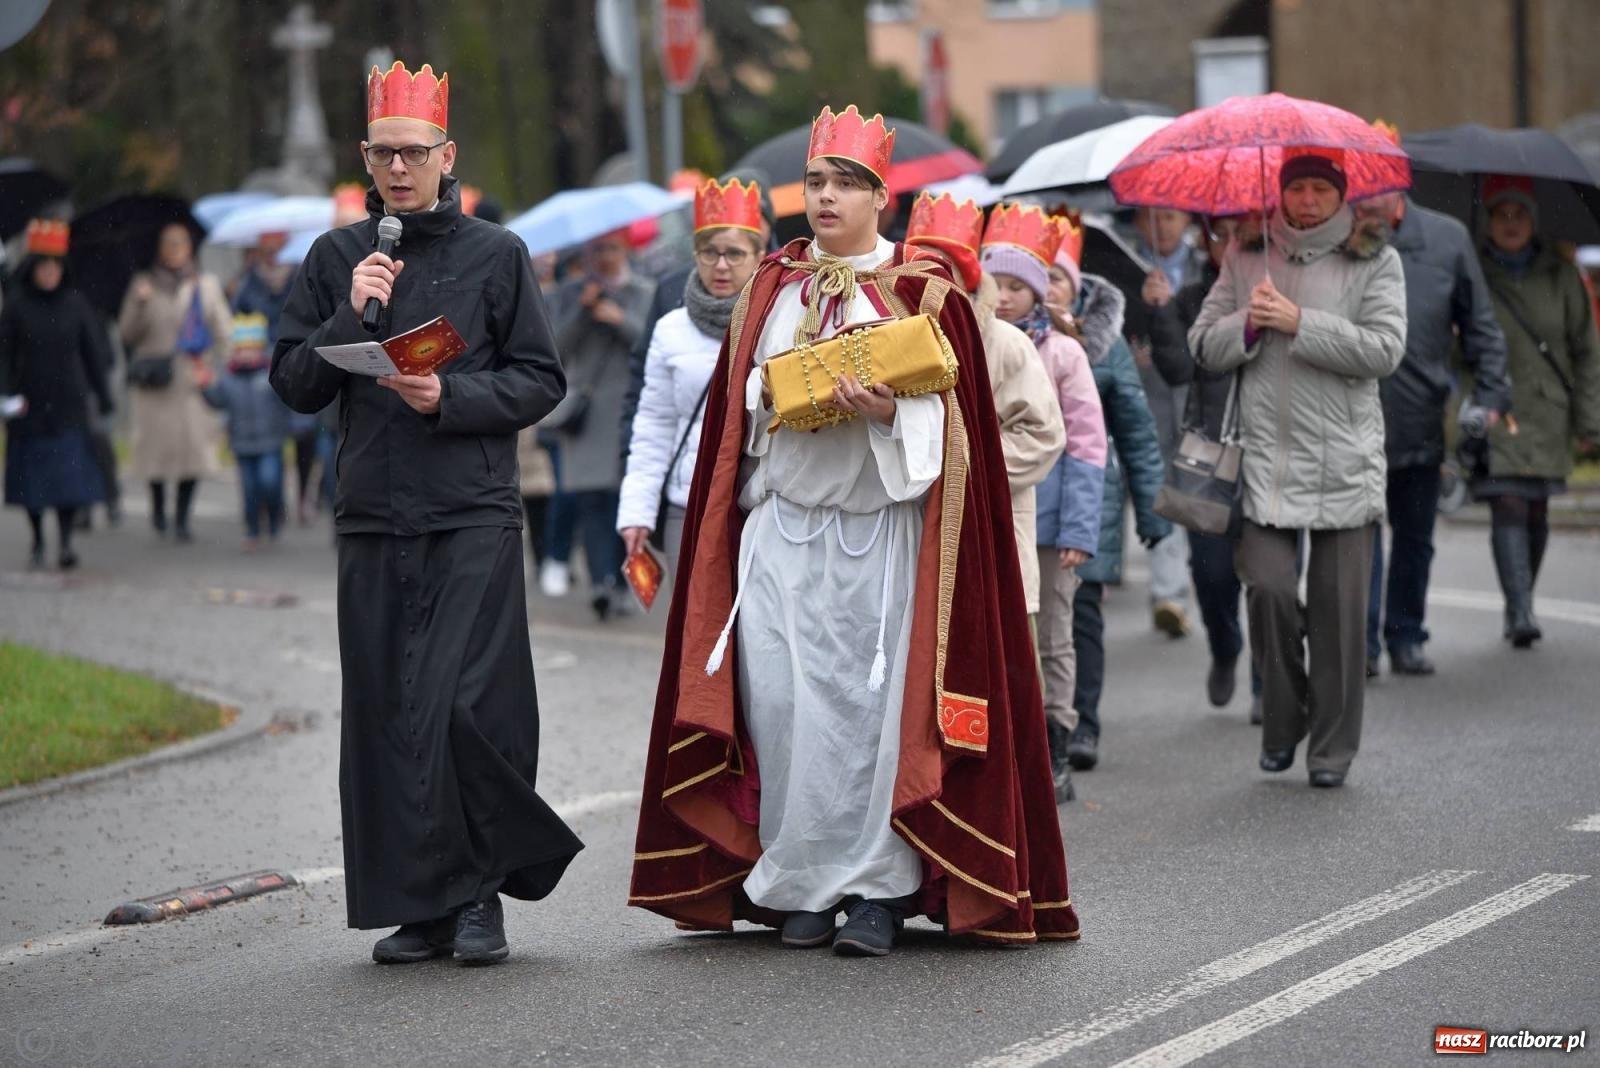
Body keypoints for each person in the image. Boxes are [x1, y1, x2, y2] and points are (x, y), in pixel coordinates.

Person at [630, 105, 1079, 955]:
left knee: (874, 718)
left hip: (882, 539)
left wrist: (882, 416)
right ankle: (799, 880)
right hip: (784, 535)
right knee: (786, 710)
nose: (826, 198)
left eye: (845, 184)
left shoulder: (926, 298)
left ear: (881, 198)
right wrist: (777, 392)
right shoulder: (772, 288)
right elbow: (736, 421)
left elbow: (958, 447)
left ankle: (876, 891)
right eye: (816, 183)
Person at [269, 59, 582, 965]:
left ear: (447, 154)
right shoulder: (335, 259)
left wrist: (450, 395)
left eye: (414, 153)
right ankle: (421, 904)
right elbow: (294, 383)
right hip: (372, 513)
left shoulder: (498, 256)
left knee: (463, 708)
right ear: (365, 159)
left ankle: (480, 894)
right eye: (383, 154)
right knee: (387, 712)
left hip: (471, 510)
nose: (399, 169)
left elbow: (539, 380)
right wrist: (346, 318)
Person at [1190, 147, 1407, 788]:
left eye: (1320, 188)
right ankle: (1283, 722)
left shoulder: (1376, 259)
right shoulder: (1246, 254)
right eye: (1297, 188)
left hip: (1344, 461)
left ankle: (1332, 750)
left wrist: (1301, 321)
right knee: (1269, 588)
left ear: (1342, 196)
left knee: (1341, 615)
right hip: (1264, 464)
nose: (1307, 200)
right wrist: (1248, 326)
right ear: (1280, 194)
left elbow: (1385, 349)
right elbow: (1204, 342)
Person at [960, 201, 1105, 802]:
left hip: (1047, 521)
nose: (1010, 296)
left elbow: (1085, 445)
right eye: (1002, 283)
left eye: (1022, 285)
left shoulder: (1060, 352)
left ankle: (1058, 738)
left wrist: (1079, 528)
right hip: (999, 516)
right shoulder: (972, 342)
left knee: (1051, 634)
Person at [1351, 179, 1511, 676]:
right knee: (1358, 536)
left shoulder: (1447, 239)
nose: (1364, 199)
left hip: (1422, 415)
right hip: (1354, 420)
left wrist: (1489, 396)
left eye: (1375, 188)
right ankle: (1362, 645)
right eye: (1357, 189)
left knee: (1414, 535)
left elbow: (1481, 325)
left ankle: (1404, 633)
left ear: (1399, 185)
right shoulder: (1341, 235)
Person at [1054, 243, 1171, 774]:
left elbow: (1137, 431)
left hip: (1088, 497)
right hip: (1025, 495)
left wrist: (1152, 511)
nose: (1049, 286)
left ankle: (1084, 723)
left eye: (1057, 276)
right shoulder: (1005, 334)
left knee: (1081, 611)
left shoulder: (1105, 346)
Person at [1147, 214, 1269, 721]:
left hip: (1271, 453)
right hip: (1209, 454)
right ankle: (1225, 647)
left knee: (1270, 579)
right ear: (1208, 240)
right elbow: (1176, 368)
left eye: (1245, 233)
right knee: (1213, 573)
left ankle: (1268, 680)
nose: (1232, 243)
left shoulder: (1279, 289)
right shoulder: (1192, 297)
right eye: (1222, 233)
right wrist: (1160, 313)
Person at [1474, 174, 1600, 647]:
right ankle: (1520, 607)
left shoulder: (1562, 273)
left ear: (1533, 219)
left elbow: (1586, 350)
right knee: (1507, 500)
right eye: (1501, 214)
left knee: (1536, 510)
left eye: (1519, 214)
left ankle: (1521, 596)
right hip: (1495, 407)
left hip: (1549, 409)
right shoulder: (1474, 270)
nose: (1510, 223)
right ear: (1487, 221)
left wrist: (1591, 421)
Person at [618, 177, 767, 572]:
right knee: (689, 628)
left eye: (734, 254)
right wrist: (637, 511)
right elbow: (653, 423)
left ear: (759, 255)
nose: (720, 266)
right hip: (687, 502)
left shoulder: (777, 321)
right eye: (708, 253)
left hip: (759, 504)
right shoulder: (671, 328)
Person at [620, 168, 776, 469]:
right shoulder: (672, 291)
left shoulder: (788, 288)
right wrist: (632, 457)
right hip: (686, 469)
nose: (721, 266)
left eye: (755, 214)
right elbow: (646, 391)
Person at [540, 230, 655, 620]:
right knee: (591, 503)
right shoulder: (569, 294)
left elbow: (652, 343)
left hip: (630, 414)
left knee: (627, 504)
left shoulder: (644, 292)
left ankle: (623, 582)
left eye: (611, 248)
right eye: (596, 250)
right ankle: (601, 582)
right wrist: (583, 312)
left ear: (625, 250)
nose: (604, 257)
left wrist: (619, 319)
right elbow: (552, 348)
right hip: (586, 417)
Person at [1, 220, 113, 569]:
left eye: (54, 267)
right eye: (43, 266)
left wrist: (103, 394)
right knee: (33, 484)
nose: (49, 273)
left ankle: (65, 543)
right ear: (33, 268)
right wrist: (5, 395)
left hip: (69, 403)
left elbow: (93, 352)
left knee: (68, 481)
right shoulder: (16, 307)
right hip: (29, 403)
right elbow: (4, 355)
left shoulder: (76, 304)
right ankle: (37, 539)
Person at [1119, 207, 1209, 639]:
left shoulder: (1206, 266)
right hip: (1149, 397)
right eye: (1153, 218)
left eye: (1171, 217)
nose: (1162, 224)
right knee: (1159, 493)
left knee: (1196, 496)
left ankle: (1200, 585)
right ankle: (1169, 595)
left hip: (1196, 400)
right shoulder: (1128, 268)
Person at [118, 220, 233, 542]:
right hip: (155, 382)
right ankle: (158, 510)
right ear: (160, 249)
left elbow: (224, 330)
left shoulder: (205, 285)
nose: (175, 251)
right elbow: (127, 333)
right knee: (154, 454)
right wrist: (139, 304)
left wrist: (222, 367)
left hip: (191, 381)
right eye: (169, 244)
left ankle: (182, 518)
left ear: (189, 248)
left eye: (180, 244)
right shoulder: (144, 284)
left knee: (190, 453)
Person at [234, 230, 324, 527]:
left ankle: (301, 495)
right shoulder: (248, 282)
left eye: (276, 249)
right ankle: (271, 502)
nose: (271, 255)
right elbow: (237, 320)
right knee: (267, 437)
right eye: (266, 249)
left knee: (303, 435)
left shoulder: (301, 277)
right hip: (259, 364)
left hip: (294, 359)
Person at [201, 314, 292, 551]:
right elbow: (218, 401)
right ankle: (252, 529)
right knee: (250, 489)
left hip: (270, 440)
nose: (247, 354)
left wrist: (294, 424)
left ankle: (274, 520)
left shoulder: (271, 374)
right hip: (242, 443)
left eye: (252, 349)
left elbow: (287, 402)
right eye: (242, 349)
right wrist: (204, 387)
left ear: (260, 349)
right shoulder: (228, 378)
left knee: (270, 482)